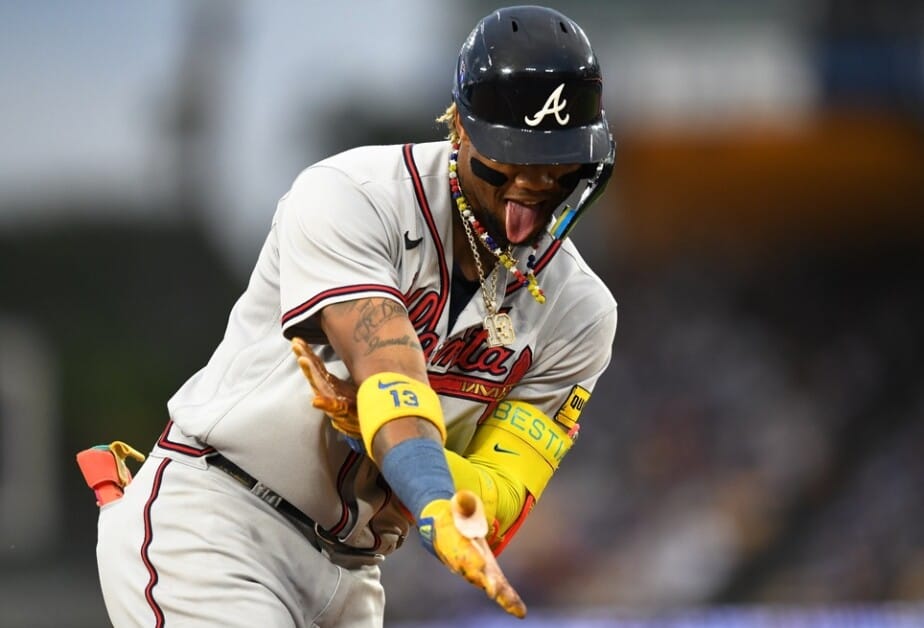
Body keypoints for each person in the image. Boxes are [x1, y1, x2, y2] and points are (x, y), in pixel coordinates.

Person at [93, 5, 618, 626]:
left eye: (557, 169)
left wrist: (419, 476)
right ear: (459, 128)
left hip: (356, 572)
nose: (530, 190)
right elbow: (387, 369)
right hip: (222, 521)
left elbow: (499, 497)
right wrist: (395, 440)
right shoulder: (356, 195)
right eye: (507, 162)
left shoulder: (580, 313)